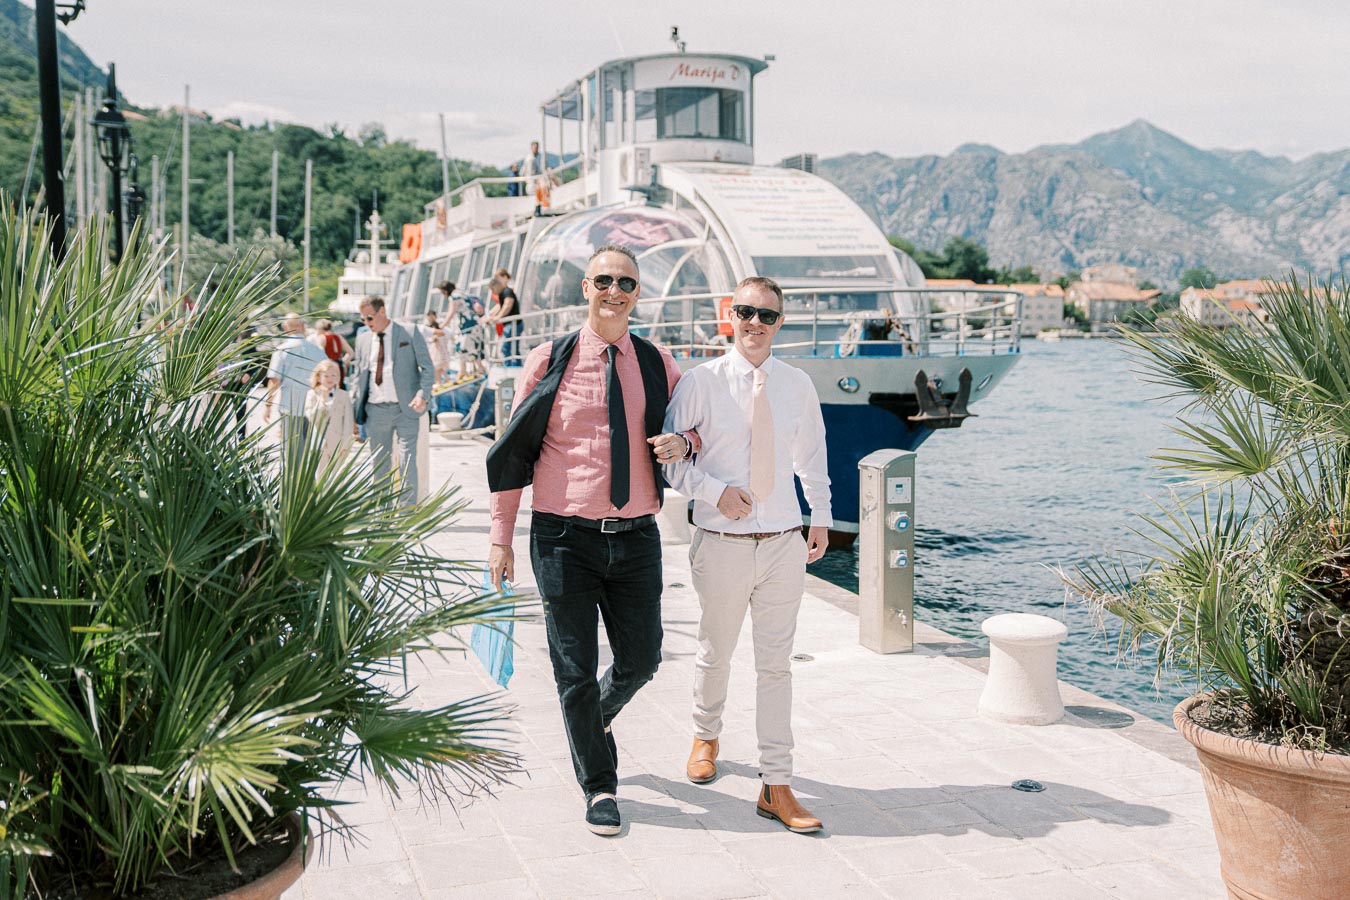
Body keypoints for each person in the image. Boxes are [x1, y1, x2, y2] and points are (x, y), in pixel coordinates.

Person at [485, 245, 696, 837]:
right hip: (561, 539)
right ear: (585, 286)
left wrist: (689, 442)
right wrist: (501, 538)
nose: (614, 290)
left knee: (643, 658)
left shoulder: (658, 361)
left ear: (637, 292)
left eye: (626, 282)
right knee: (573, 670)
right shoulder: (549, 359)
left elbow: (700, 422)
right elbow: (513, 455)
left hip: (636, 538)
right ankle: (599, 785)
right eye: (604, 279)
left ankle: (591, 722)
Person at [662, 276, 832, 834]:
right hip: (721, 544)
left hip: (783, 542)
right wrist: (715, 493)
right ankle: (705, 735)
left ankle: (776, 783)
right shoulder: (699, 383)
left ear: (780, 323)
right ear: (728, 316)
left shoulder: (798, 384)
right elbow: (670, 459)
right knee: (715, 652)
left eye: (768, 316)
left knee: (775, 667)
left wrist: (821, 516)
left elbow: (812, 457)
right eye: (746, 313)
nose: (756, 324)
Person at [350, 297, 434, 506]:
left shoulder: (410, 332)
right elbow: (358, 378)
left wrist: (422, 394)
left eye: (369, 317)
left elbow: (428, 368)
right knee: (380, 462)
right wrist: (354, 414)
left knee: (407, 460)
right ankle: (383, 512)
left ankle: (406, 511)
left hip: (406, 407)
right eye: (363, 319)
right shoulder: (362, 340)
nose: (367, 323)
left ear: (382, 312)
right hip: (375, 410)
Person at [263, 313, 329, 453]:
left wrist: (268, 405)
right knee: (310, 451)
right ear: (303, 327)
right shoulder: (318, 350)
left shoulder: (282, 350)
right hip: (314, 406)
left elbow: (274, 381)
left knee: (292, 452)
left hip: (290, 406)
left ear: (285, 327)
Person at [304, 359, 355, 471]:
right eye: (326, 376)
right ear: (318, 377)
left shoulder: (343, 396)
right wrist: (322, 400)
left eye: (334, 375)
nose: (330, 379)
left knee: (336, 477)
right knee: (319, 477)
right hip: (319, 445)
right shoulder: (312, 395)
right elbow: (312, 418)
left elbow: (348, 422)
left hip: (338, 443)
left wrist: (346, 445)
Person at [484, 268, 519, 364]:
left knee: (507, 347)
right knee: (508, 347)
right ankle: (510, 365)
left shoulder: (507, 291)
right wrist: (491, 316)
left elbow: (507, 305)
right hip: (507, 324)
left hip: (511, 323)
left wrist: (498, 317)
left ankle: (511, 366)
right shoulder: (504, 292)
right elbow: (501, 305)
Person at [311, 318, 354, 386]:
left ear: (320, 329)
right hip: (339, 366)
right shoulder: (338, 337)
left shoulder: (322, 338)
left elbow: (318, 354)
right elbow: (351, 353)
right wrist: (344, 362)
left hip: (328, 368)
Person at [422, 310, 451, 386]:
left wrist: (429, 339)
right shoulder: (434, 326)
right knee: (439, 367)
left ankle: (438, 382)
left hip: (438, 351)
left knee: (436, 367)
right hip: (438, 351)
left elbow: (433, 339)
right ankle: (447, 378)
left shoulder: (439, 327)